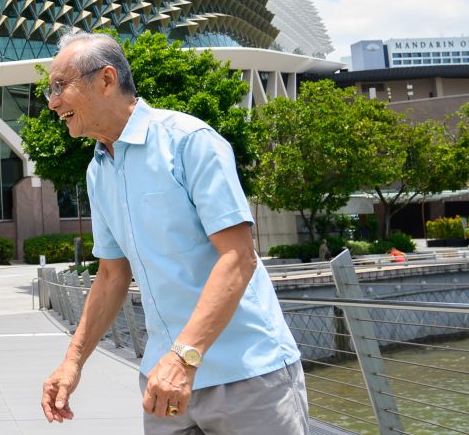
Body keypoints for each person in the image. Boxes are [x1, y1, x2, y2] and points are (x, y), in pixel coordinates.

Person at [39, 31, 307, 434]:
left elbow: (238, 257)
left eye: (60, 86)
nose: (53, 102)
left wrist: (184, 359)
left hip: (245, 375)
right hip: (163, 384)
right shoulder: (98, 171)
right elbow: (112, 275)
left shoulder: (189, 142)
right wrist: (73, 361)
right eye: (49, 90)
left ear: (107, 80)